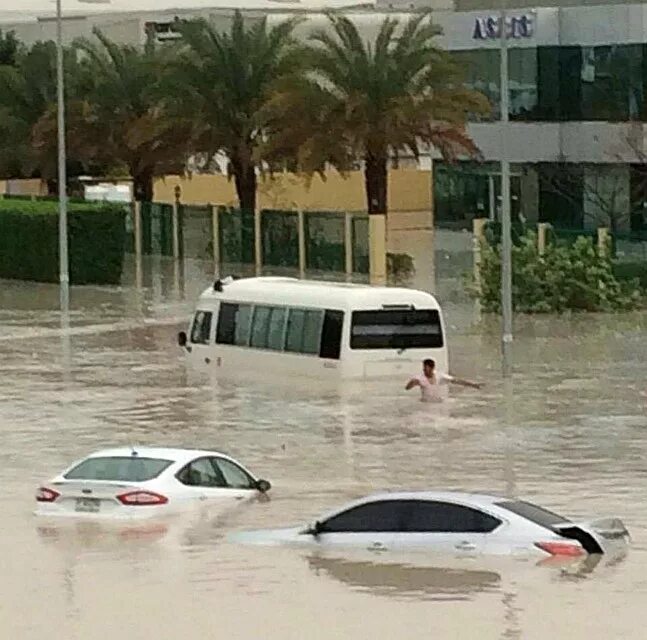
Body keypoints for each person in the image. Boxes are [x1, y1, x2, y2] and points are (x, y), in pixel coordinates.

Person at [405, 358, 482, 403]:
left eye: (426, 369)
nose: (424, 371)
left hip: (439, 402)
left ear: (432, 368)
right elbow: (407, 388)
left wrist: (473, 385)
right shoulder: (419, 378)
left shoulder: (440, 376)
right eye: (424, 369)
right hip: (425, 404)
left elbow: (457, 381)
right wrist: (411, 383)